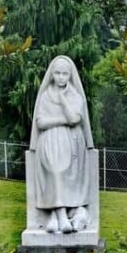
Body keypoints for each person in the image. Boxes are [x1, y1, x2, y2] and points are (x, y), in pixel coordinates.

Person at [30, 56, 94, 233]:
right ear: (52, 74)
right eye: (57, 73)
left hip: (72, 143)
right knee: (56, 170)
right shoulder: (45, 96)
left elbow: (75, 119)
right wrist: (62, 120)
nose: (60, 77)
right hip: (49, 141)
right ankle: (62, 217)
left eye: (64, 74)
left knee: (64, 170)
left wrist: (63, 98)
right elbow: (41, 122)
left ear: (70, 75)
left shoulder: (75, 95)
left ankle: (56, 217)